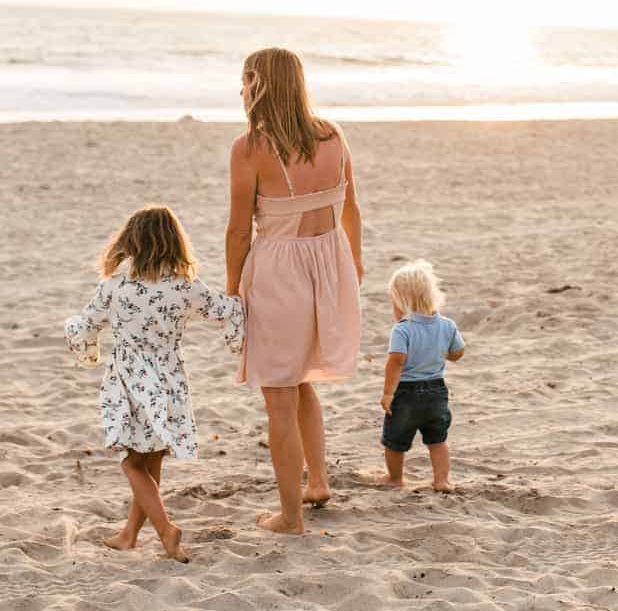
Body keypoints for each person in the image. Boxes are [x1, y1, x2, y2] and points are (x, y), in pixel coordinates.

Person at [226, 47, 362, 534]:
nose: (239, 89)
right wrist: (354, 265)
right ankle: (317, 480)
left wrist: (231, 289)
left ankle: (290, 517)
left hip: (282, 270)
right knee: (301, 377)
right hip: (330, 262)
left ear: (260, 84)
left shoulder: (250, 148)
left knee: (279, 393)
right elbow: (352, 210)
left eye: (243, 80)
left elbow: (240, 230)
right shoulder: (332, 135)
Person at [65, 206, 244, 562]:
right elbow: (228, 312)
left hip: (131, 380)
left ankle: (165, 529)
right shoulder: (185, 287)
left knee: (132, 463)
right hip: (169, 378)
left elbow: (84, 326)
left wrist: (87, 349)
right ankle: (129, 534)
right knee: (151, 458)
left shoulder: (115, 286)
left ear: (130, 241)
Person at [379, 259, 464, 492]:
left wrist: (388, 393)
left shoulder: (403, 329)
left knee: (395, 441)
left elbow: (395, 362)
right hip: (437, 391)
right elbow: (458, 352)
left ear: (402, 301)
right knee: (438, 439)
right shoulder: (447, 325)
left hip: (406, 393)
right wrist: (442, 354)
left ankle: (395, 478)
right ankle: (441, 480)